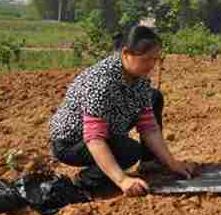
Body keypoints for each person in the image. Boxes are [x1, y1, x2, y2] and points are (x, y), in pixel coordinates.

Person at [49, 25, 196, 197]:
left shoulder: (139, 80)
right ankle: (84, 182)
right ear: (126, 53)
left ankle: (150, 163)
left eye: (155, 59)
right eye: (147, 59)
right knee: (129, 151)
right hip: (72, 142)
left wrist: (172, 164)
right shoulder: (101, 82)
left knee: (153, 97)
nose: (152, 65)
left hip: (106, 131)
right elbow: (94, 139)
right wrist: (122, 180)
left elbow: (149, 128)